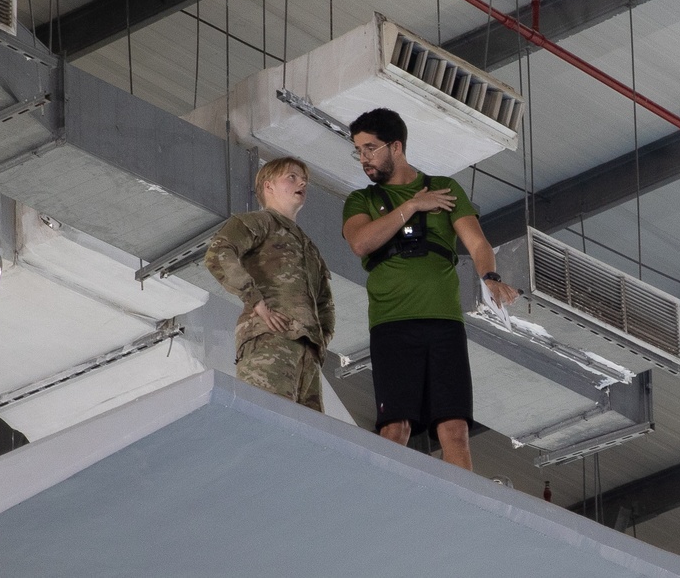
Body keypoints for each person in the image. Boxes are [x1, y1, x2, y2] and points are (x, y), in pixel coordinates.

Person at [342, 108, 519, 470]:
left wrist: (490, 277)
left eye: (371, 149)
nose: (364, 159)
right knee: (395, 427)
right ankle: (385, 504)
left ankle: (465, 513)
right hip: (392, 325)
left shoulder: (446, 189)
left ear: (397, 147)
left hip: (444, 324)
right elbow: (361, 242)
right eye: (358, 150)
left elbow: (478, 244)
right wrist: (411, 206)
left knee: (454, 429)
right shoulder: (360, 201)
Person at [205, 156, 335, 412]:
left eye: (304, 179)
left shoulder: (308, 246)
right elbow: (218, 253)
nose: (302, 183)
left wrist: (320, 339)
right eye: (292, 177)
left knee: (306, 438)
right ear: (268, 186)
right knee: (269, 418)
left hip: (306, 351)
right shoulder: (259, 222)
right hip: (270, 340)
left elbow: (324, 303)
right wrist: (257, 303)